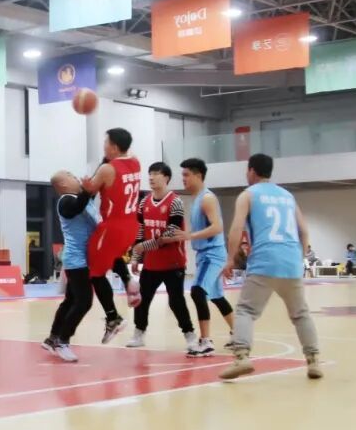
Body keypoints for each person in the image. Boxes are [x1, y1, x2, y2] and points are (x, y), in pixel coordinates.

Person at [219, 153, 322, 380]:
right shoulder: (287, 196)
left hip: (264, 261)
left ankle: (242, 356)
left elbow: (236, 229)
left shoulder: (248, 195)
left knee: (245, 310)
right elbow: (304, 231)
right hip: (291, 262)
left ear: (251, 170)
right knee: (301, 314)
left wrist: (230, 259)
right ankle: (313, 360)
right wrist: (299, 257)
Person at [125, 162, 196, 351]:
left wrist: (143, 247)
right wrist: (135, 257)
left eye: (156, 173)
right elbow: (140, 230)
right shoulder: (144, 202)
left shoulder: (175, 202)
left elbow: (170, 235)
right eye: (150, 173)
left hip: (173, 263)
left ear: (166, 178)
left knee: (176, 302)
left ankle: (190, 335)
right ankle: (139, 333)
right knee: (142, 299)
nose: (151, 177)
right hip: (151, 264)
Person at [80, 129, 142, 343]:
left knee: (95, 272)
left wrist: (86, 185)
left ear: (114, 147)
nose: (104, 146)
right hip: (131, 225)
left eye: (106, 142)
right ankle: (128, 280)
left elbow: (89, 190)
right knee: (111, 255)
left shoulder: (107, 169)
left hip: (113, 227)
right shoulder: (136, 162)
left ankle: (113, 317)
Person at [168, 157, 234, 356]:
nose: (183, 179)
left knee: (197, 291)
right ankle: (239, 333)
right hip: (206, 254)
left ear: (198, 175)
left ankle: (205, 341)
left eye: (186, 175)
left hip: (212, 254)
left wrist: (189, 236)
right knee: (217, 296)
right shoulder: (198, 199)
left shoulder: (207, 199)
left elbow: (217, 227)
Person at [43, 171, 102, 362]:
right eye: (69, 175)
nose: (74, 176)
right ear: (63, 185)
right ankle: (62, 341)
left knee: (70, 301)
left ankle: (52, 338)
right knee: (84, 302)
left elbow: (95, 182)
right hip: (77, 261)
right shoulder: (66, 201)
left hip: (79, 259)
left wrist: (106, 160)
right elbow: (76, 207)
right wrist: (87, 191)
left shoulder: (79, 198)